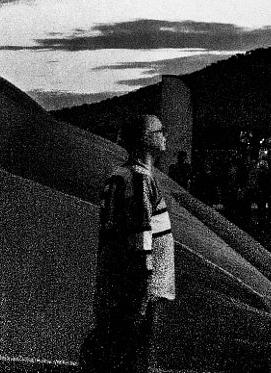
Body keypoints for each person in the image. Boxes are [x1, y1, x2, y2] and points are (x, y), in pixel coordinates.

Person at [87, 115, 174, 373]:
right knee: (133, 355)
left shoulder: (120, 174)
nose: (165, 135)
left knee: (115, 347)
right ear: (146, 140)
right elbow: (140, 239)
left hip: (117, 283)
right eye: (160, 131)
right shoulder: (139, 179)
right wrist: (143, 290)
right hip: (136, 288)